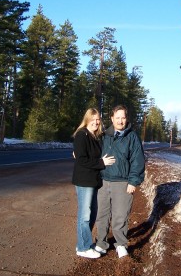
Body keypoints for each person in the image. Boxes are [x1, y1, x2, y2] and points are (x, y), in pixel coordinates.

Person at [94, 104, 145, 258]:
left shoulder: (132, 137)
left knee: (120, 216)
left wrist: (133, 182)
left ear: (126, 119)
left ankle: (121, 244)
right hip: (103, 182)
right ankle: (101, 244)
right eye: (117, 118)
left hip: (123, 183)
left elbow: (138, 161)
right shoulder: (104, 135)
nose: (120, 121)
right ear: (112, 118)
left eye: (123, 118)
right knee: (102, 215)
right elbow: (91, 149)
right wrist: (78, 151)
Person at [72, 108, 115, 259]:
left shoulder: (95, 136)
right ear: (87, 119)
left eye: (98, 119)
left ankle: (85, 243)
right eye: (93, 119)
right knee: (84, 215)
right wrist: (101, 162)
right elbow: (82, 159)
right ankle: (82, 247)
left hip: (93, 180)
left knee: (91, 214)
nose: (96, 122)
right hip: (84, 181)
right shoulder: (81, 135)